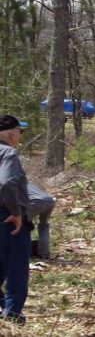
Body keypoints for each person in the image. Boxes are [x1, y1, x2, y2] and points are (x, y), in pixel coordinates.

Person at [0, 115, 31, 324]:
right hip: (8, 219)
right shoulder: (8, 153)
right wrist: (17, 213)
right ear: (11, 133)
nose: (20, 136)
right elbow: (6, 183)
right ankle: (11, 316)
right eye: (20, 131)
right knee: (16, 270)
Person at [26, 182, 55, 260]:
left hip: (36, 201)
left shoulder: (10, 184)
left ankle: (26, 252)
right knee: (44, 225)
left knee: (23, 225)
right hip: (50, 200)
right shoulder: (28, 183)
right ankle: (45, 254)